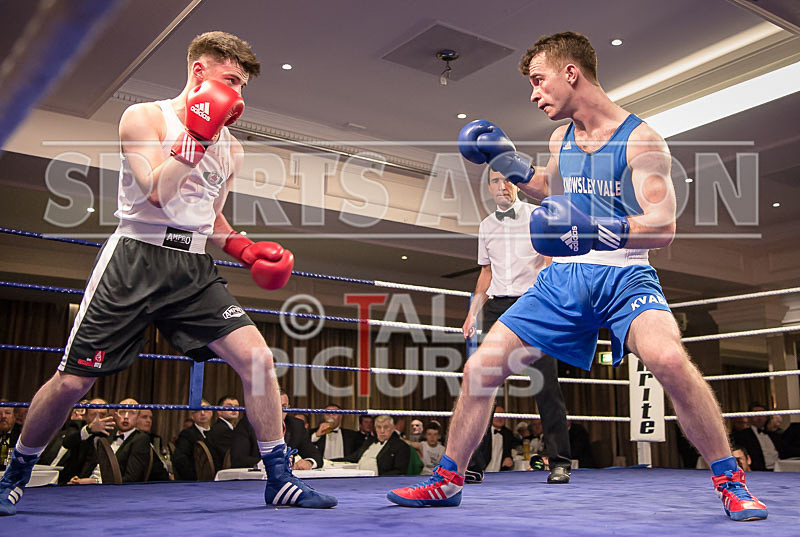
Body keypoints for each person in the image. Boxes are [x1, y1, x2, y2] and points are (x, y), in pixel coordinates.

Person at [388, 31, 766, 521]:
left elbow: (663, 225)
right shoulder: (560, 138)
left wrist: (596, 229)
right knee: (481, 369)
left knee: (670, 360)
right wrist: (506, 159)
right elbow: (551, 188)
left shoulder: (640, 138)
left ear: (572, 73)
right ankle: (448, 480)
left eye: (538, 80)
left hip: (625, 277)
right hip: (564, 280)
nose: (533, 93)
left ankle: (729, 480)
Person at [0, 31, 335, 514]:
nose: (237, 96)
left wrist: (244, 250)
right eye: (230, 81)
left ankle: (279, 477)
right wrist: (196, 136)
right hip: (136, 257)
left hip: (193, 266)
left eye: (242, 86)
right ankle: (16, 473)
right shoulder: (144, 117)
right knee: (74, 382)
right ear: (199, 71)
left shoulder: (232, 149)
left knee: (259, 361)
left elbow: (211, 216)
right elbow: (157, 191)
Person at [462, 167, 572, 483]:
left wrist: (550, 301)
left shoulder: (538, 216)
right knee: (484, 385)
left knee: (546, 384)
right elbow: (486, 273)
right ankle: (474, 465)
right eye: (496, 180)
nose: (503, 186)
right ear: (489, 187)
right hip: (497, 306)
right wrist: (473, 312)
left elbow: (550, 261)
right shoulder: (485, 226)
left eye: (508, 180)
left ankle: (560, 462)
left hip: (534, 301)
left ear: (518, 185)